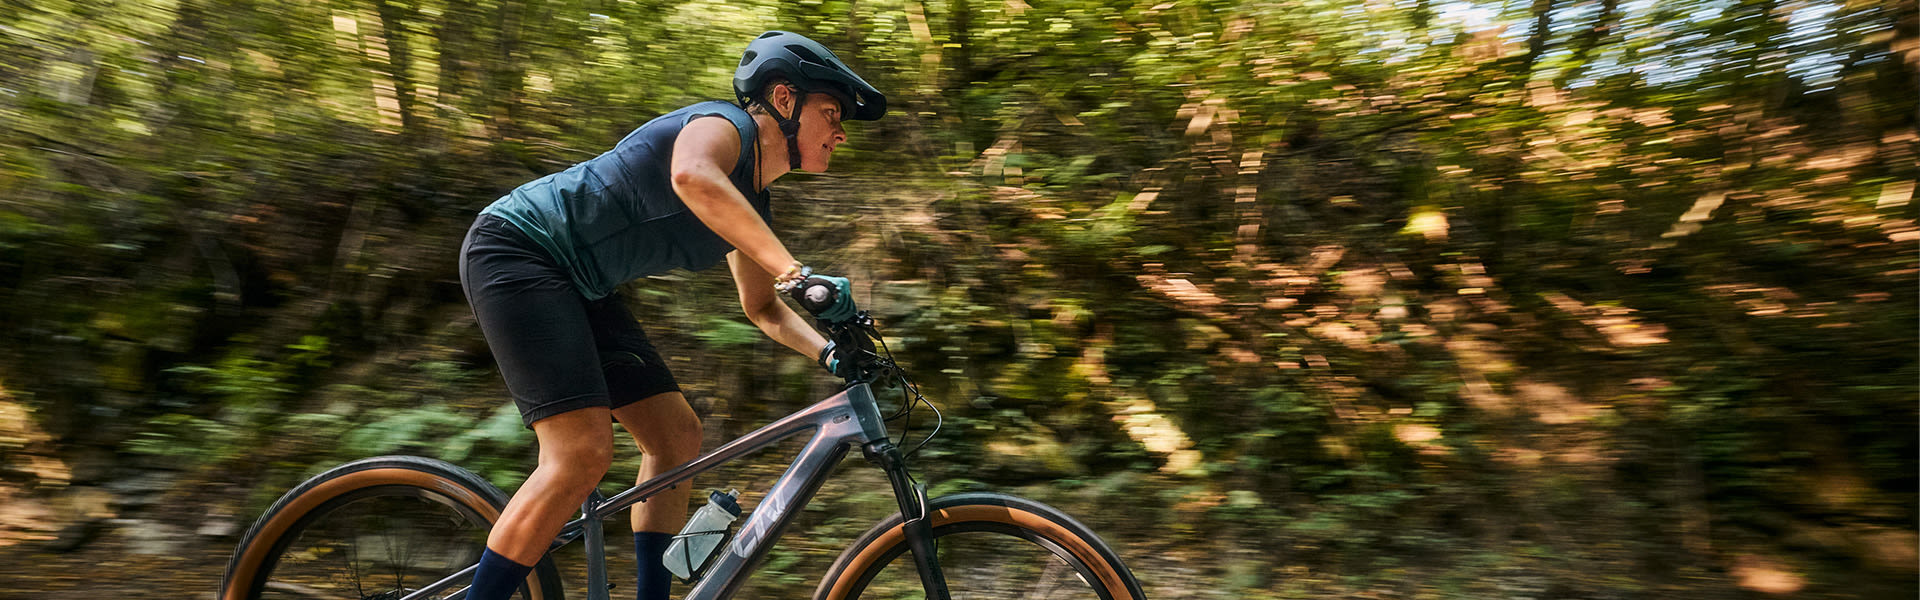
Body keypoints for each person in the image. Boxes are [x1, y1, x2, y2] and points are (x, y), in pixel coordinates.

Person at [456, 31, 885, 600]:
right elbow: (691, 176)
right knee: (581, 454)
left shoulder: (751, 202)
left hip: (579, 284)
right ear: (784, 100)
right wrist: (794, 271)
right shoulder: (720, 126)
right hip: (517, 251)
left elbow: (761, 309)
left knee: (677, 437)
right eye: (830, 112)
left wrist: (829, 352)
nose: (841, 130)